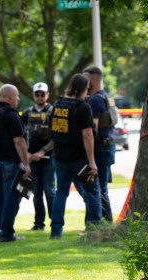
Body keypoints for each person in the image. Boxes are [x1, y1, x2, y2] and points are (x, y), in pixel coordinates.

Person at [49, 73, 101, 239]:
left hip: (60, 157)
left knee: (60, 193)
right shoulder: (83, 108)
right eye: (87, 89)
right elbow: (87, 135)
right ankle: (93, 229)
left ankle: (56, 231)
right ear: (83, 89)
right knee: (92, 191)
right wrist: (92, 162)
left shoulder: (57, 105)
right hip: (79, 159)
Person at [0, 84, 31, 243]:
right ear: (11, 97)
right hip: (10, 163)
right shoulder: (11, 115)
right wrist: (26, 164)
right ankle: (7, 234)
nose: (17, 100)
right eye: (17, 97)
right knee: (11, 200)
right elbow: (19, 141)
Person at [83, 66, 117, 222]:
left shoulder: (95, 100)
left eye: (86, 80)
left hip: (101, 150)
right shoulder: (106, 96)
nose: (84, 83)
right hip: (108, 146)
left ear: (94, 80)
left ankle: (104, 221)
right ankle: (105, 221)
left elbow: (93, 127)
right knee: (101, 187)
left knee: (99, 188)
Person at [21, 82, 55, 231]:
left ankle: (56, 222)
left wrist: (42, 152)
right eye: (37, 94)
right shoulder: (27, 113)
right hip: (31, 160)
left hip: (48, 159)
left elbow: (57, 136)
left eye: (43, 94)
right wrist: (26, 154)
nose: (40, 97)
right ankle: (39, 224)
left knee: (50, 191)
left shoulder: (53, 112)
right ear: (34, 96)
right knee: (36, 193)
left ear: (47, 95)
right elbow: (20, 136)